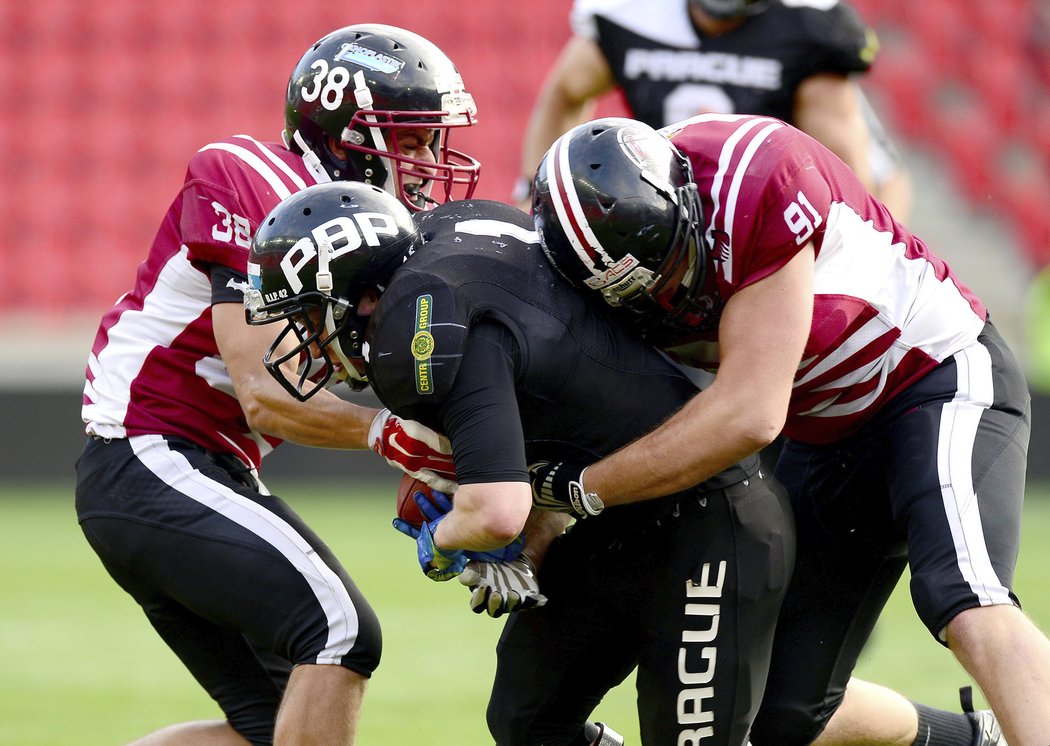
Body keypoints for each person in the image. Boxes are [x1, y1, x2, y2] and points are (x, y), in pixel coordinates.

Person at [529, 115, 1047, 744]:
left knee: (965, 601)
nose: (675, 295)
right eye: (646, 291)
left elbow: (749, 413)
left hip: (929, 379)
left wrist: (579, 489)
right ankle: (974, 737)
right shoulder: (581, 272)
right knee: (775, 707)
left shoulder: (758, 175)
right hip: (825, 435)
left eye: (675, 263)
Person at [244, 181, 796, 745]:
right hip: (618, 525)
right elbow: (565, 409)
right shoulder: (450, 240)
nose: (308, 340)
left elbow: (497, 511)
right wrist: (529, 526)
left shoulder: (421, 327)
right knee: (528, 723)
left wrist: (442, 542)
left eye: (310, 317)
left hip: (709, 522)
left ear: (361, 297)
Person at [75, 24, 480, 746]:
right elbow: (263, 391)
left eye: (430, 142)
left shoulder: (380, 232)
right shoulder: (250, 176)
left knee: (275, 726)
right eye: (410, 141)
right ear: (343, 130)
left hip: (212, 467)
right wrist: (390, 438)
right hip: (148, 450)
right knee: (342, 632)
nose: (425, 164)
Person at [513, 0, 912, 221]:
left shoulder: (807, 29)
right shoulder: (630, 15)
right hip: (667, 206)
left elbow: (852, 180)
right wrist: (536, 190)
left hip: (775, 208)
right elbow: (566, 93)